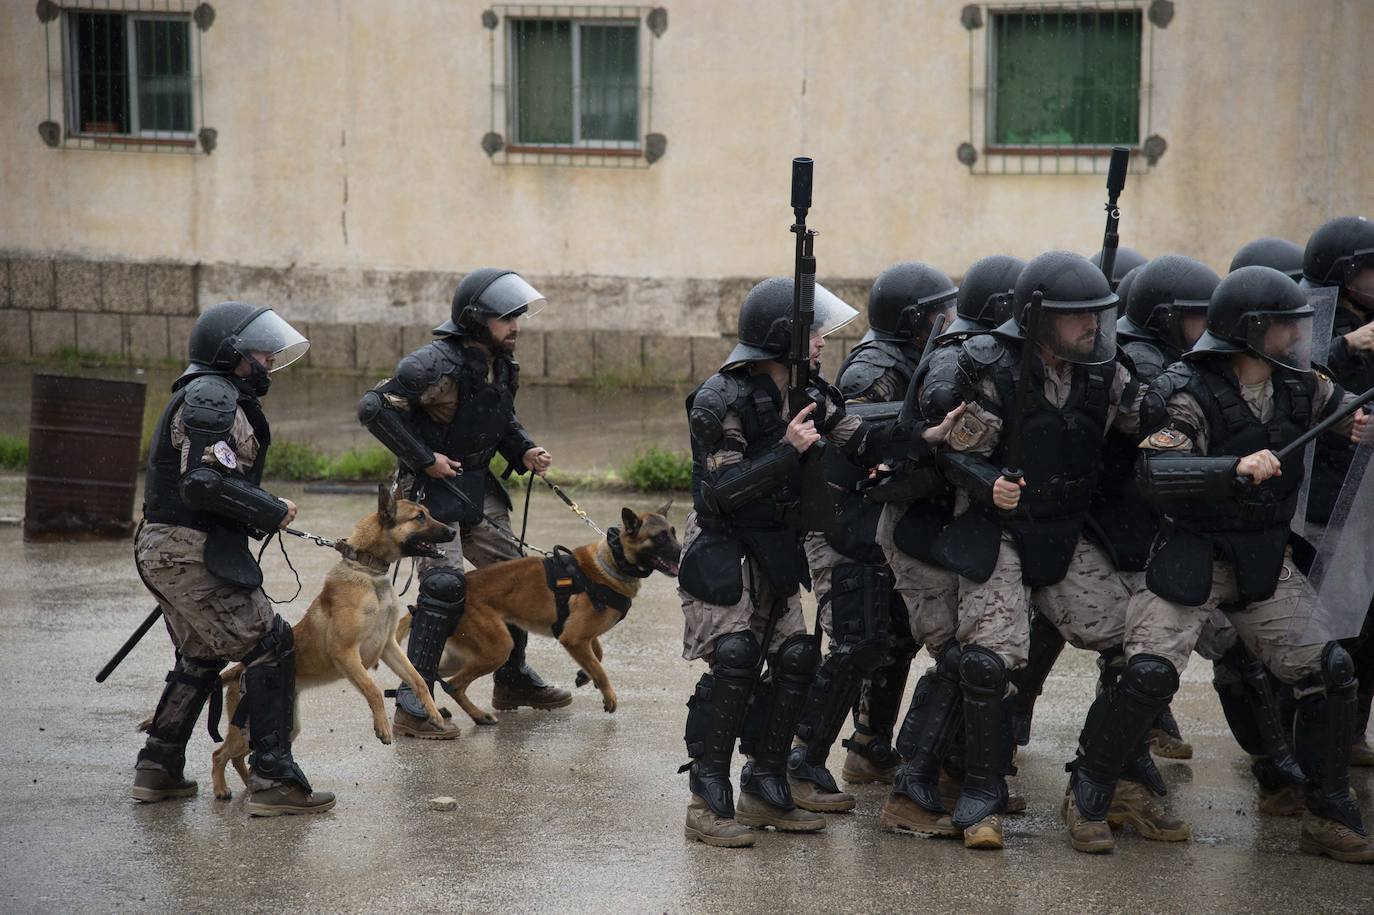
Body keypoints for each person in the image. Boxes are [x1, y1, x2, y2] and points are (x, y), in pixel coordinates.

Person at [1065, 266, 1372, 863]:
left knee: (1330, 670)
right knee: (1148, 673)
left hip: (1261, 558)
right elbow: (1156, 471)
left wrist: (1362, 427)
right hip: (1190, 558)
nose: (1297, 338)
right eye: (1287, 327)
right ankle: (1090, 791)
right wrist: (1229, 469)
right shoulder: (1184, 389)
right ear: (1253, 331)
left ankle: (1327, 811)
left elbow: (1344, 415)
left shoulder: (1301, 384)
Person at [677, 276, 959, 847]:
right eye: (811, 332)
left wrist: (926, 435)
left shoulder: (811, 393)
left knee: (797, 658)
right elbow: (725, 488)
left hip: (774, 543)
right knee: (734, 660)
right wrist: (787, 449)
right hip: (721, 545)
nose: (822, 341)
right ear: (781, 335)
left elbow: (861, 441)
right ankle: (706, 800)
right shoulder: (721, 397)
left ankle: (766, 785)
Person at [924, 251, 1152, 851]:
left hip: (1066, 529)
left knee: (1141, 651)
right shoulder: (991, 367)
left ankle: (1096, 786)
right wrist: (983, 482)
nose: (1094, 328)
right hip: (997, 530)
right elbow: (954, 450)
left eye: (1097, 315)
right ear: (1042, 319)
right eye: (1080, 318)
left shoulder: (1107, 371)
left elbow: (1150, 426)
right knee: (988, 660)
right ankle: (980, 793)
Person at [134, 301, 335, 816]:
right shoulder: (210, 395)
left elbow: (211, 480)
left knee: (201, 653)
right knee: (271, 642)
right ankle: (273, 780)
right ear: (230, 353)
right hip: (186, 546)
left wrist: (255, 512)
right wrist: (269, 508)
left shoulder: (221, 395)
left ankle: (158, 769)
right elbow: (202, 483)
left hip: (182, 546)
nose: (268, 359)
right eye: (260, 350)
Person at [358, 269, 567, 739]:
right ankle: (414, 704)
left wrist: (523, 450)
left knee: (519, 577)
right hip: (430, 495)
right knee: (446, 588)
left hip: (478, 488)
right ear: (476, 320)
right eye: (505, 318)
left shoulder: (500, 362)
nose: (516, 326)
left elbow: (499, 418)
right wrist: (423, 458)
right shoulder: (431, 365)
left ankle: (511, 681)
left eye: (517, 317)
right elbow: (373, 408)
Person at [788, 262, 958, 813]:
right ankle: (800, 763)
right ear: (913, 320)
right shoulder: (872, 369)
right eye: (939, 311)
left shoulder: (918, 356)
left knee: (892, 640)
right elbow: (850, 444)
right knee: (854, 643)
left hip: (874, 523)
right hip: (842, 525)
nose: (948, 319)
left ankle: (868, 745)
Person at [874, 254, 1025, 837]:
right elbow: (937, 438)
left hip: (955, 533)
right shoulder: (958, 361)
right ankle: (914, 785)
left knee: (973, 662)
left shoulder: (1002, 360)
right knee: (965, 662)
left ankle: (948, 776)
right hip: (920, 532)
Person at [1302, 217, 1374, 767]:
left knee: (1368, 624)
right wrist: (1348, 345)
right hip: (1328, 501)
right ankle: (1307, 742)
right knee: (1328, 629)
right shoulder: (1310, 313)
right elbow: (1298, 375)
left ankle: (1352, 733)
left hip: (1368, 497)